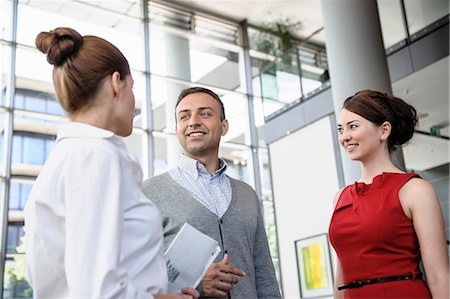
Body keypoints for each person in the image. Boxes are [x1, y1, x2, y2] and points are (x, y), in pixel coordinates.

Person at [24, 27, 198, 299]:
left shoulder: (72, 156)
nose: (133, 101)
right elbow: (98, 292)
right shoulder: (94, 156)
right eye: (132, 87)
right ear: (116, 82)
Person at [142, 87, 281, 299]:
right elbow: (137, 278)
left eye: (205, 113)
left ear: (224, 126)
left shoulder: (247, 195)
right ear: (177, 128)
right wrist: (196, 285)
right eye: (184, 116)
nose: (193, 121)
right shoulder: (149, 192)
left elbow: (264, 274)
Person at [329, 89, 449, 298]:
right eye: (340, 129)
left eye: (353, 126)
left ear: (384, 130)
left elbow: (439, 276)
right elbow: (341, 278)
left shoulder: (415, 191)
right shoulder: (339, 198)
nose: (345, 137)